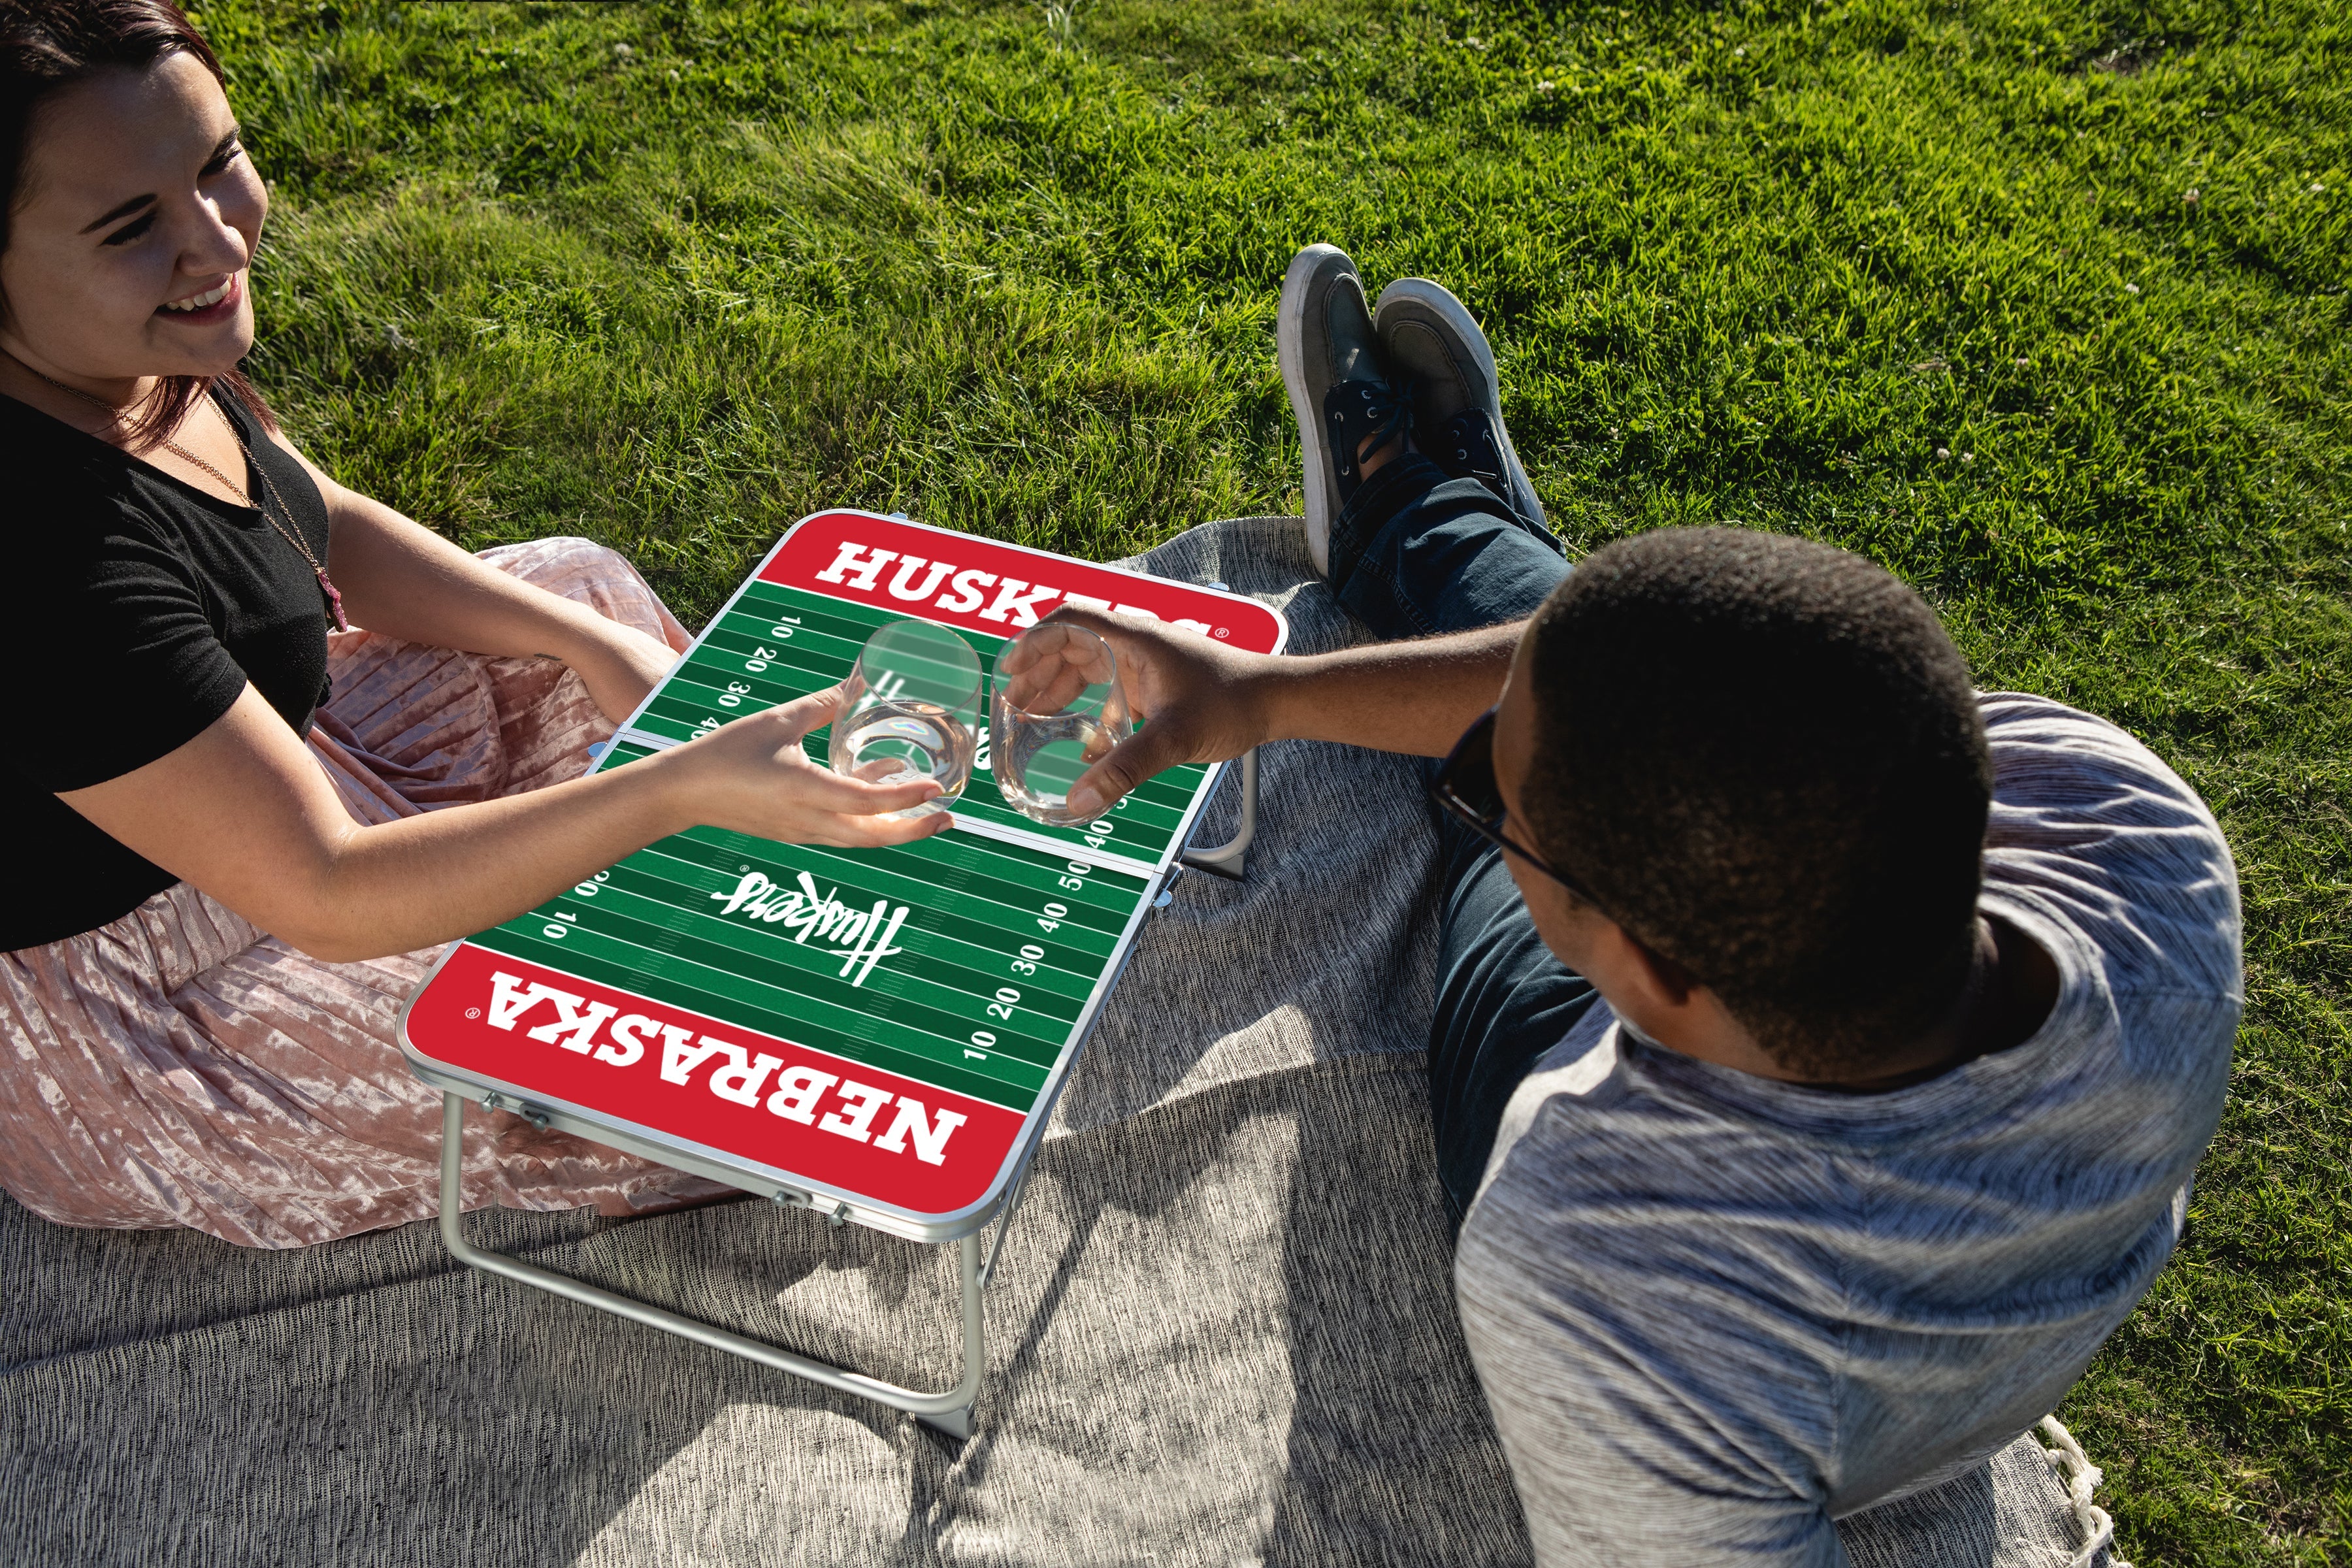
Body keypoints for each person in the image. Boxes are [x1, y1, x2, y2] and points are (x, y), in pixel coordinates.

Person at [1047, 243, 2240, 1564]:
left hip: (1572, 1075)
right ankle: (1445, 527)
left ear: (1645, 970)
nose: (1480, 807)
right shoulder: (2133, 826)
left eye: (1496, 811)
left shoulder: (1603, 1262)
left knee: (1541, 756)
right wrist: (1259, 698)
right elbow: (1708, 695)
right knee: (1624, 673)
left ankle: (1428, 521)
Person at [0, 0, 945, 1248]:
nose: (217, 237)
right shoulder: (42, 554)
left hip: (285, 777)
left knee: (575, 588)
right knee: (700, 1056)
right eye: (132, 226)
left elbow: (309, 518)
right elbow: (327, 892)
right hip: (163, 1007)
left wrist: (588, 645)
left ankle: (730, 844)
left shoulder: (122, 355)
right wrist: (672, 791)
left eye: (218, 161)